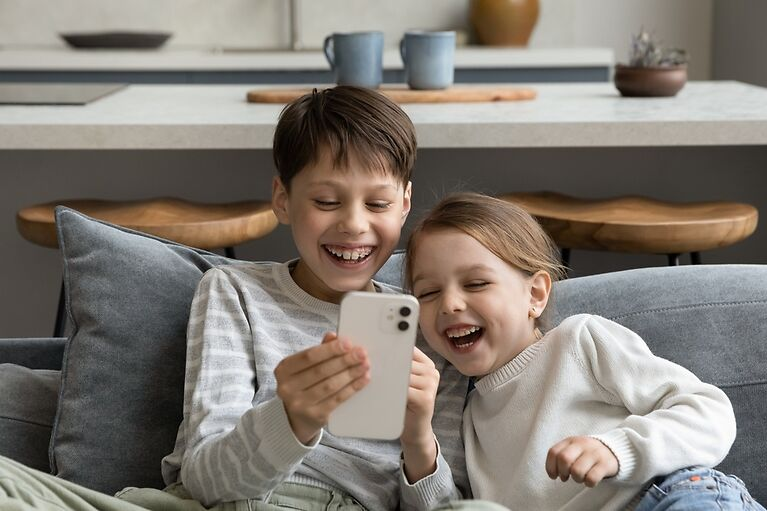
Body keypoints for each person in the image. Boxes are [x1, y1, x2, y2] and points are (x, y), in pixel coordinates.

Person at [0, 87, 480, 511]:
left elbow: (445, 505)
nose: (354, 224)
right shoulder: (236, 292)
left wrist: (419, 439)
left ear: (404, 205)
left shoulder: (436, 324)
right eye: (326, 202)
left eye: (377, 204)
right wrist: (291, 420)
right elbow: (206, 480)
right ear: (283, 200)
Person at [404, 192, 765, 511]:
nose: (449, 304)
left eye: (476, 283)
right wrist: (417, 438)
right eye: (429, 293)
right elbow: (448, 507)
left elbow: (709, 412)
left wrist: (616, 450)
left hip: (671, 496)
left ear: (535, 295)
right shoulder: (468, 422)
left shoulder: (580, 341)